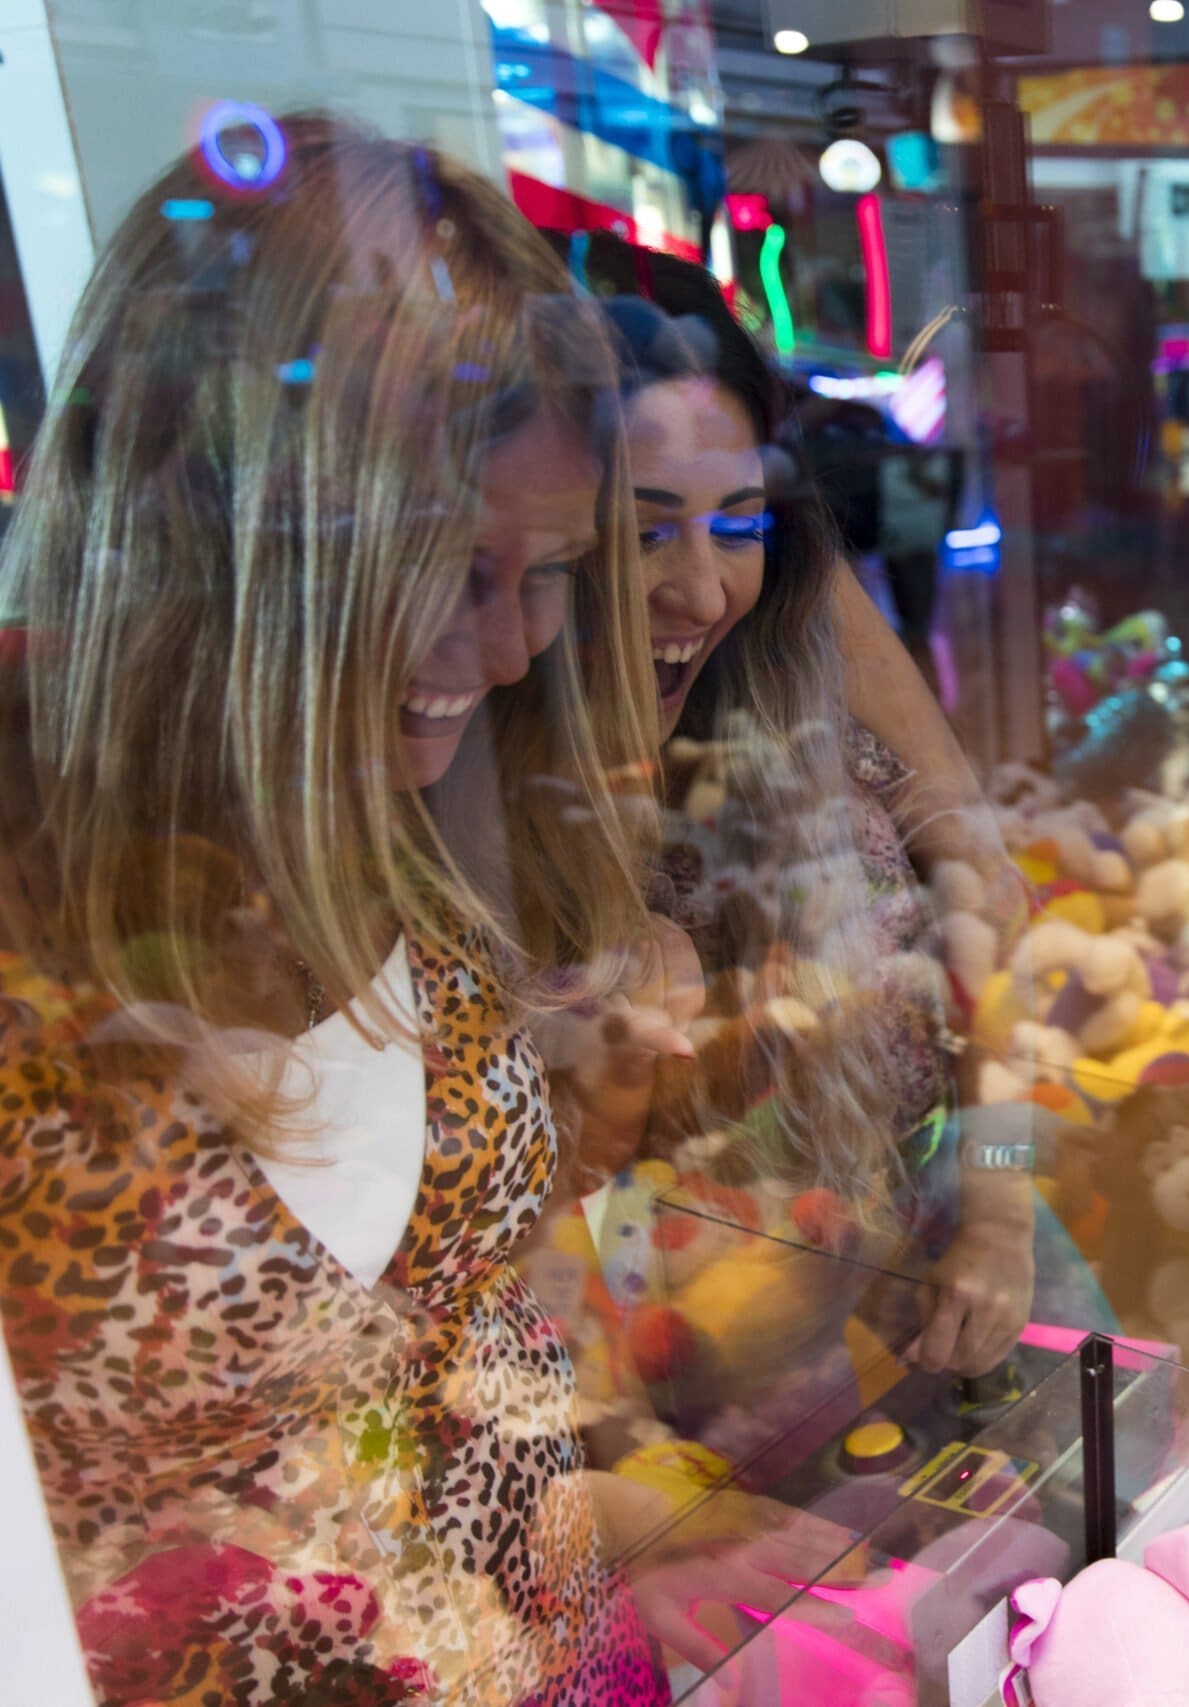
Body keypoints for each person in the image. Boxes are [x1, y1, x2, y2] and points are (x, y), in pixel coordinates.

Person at [0, 117, 775, 1702]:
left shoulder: (412, 810)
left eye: (550, 569)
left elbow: (447, 1313)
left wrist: (639, 1515)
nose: (503, 651)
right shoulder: (46, 969)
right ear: (240, 541)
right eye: (445, 565)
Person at [557, 232, 1061, 1379]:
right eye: (639, 532)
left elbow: (985, 906)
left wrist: (995, 1211)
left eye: (738, 522)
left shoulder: (788, 690)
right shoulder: (492, 808)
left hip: (930, 1283)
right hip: (690, 1381)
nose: (700, 586)